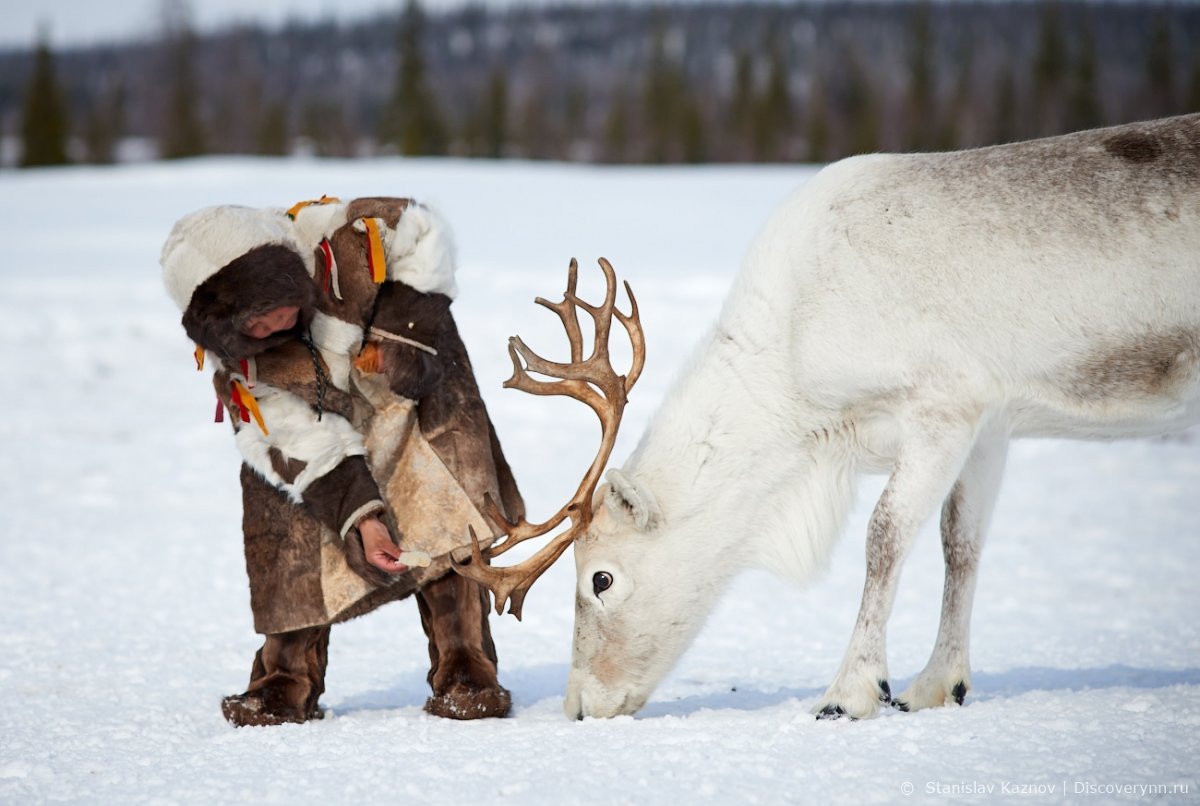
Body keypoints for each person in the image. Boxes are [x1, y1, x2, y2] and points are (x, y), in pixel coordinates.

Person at [160, 196, 523, 726]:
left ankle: (465, 666)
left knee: (444, 509)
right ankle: (284, 678)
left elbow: (422, 231)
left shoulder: (343, 235)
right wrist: (362, 518)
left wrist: (403, 335)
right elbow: (300, 441)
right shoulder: (245, 370)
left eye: (269, 307)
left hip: (415, 394)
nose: (266, 328)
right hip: (327, 417)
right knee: (287, 523)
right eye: (249, 325)